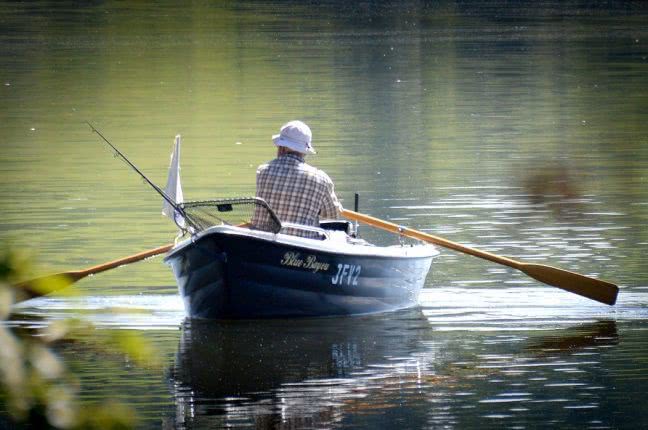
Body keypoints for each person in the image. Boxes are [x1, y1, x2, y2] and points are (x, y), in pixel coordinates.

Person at [252, 120, 342, 238]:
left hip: (263, 242)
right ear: (304, 151)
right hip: (302, 246)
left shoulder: (262, 171)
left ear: (282, 148)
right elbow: (333, 215)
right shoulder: (321, 179)